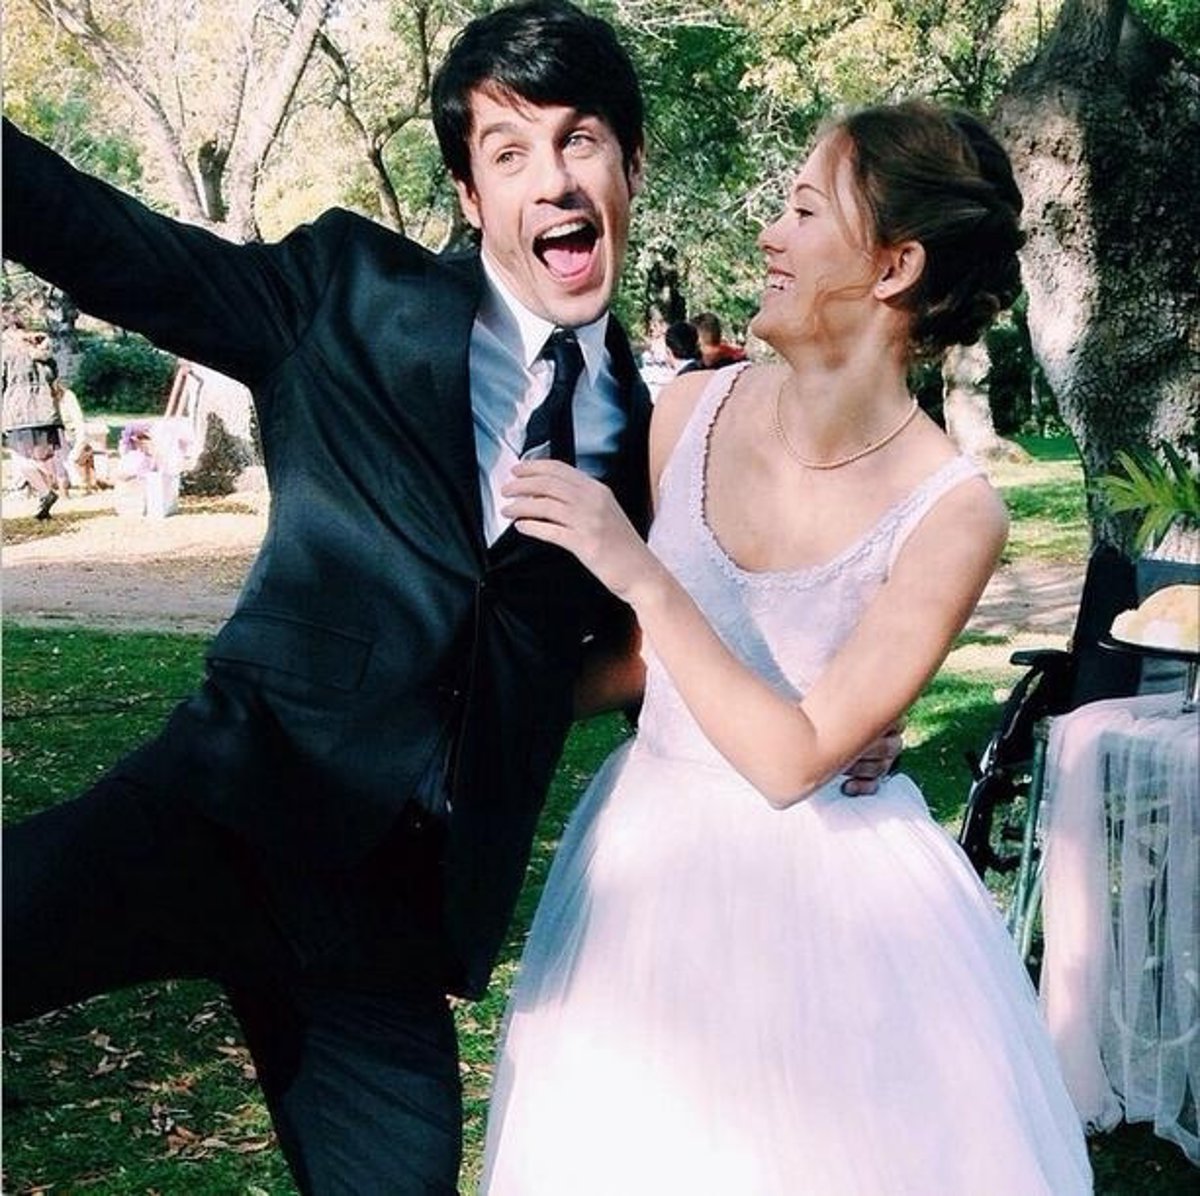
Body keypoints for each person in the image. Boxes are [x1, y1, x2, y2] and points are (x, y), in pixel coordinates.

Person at [1, 4, 897, 1193]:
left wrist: (829, 709)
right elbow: (104, 242)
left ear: (631, 166)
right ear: (473, 198)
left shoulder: (654, 434)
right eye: (509, 153)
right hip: (221, 808)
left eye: (580, 140)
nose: (553, 179)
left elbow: (647, 649)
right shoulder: (343, 293)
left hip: (387, 918)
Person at [485, 101, 1093, 1194]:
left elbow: (795, 758)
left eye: (806, 211)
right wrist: (449, 683)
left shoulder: (956, 512)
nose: (771, 234)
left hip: (837, 907)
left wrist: (635, 566)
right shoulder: (688, 410)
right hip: (646, 872)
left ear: (894, 266)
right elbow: (648, 663)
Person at [2, 325, 65, 518]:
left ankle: (45, 493)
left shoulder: (7, 355)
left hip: (19, 413)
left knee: (20, 459)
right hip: (45, 412)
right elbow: (55, 383)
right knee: (41, 458)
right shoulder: (47, 357)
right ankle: (45, 495)